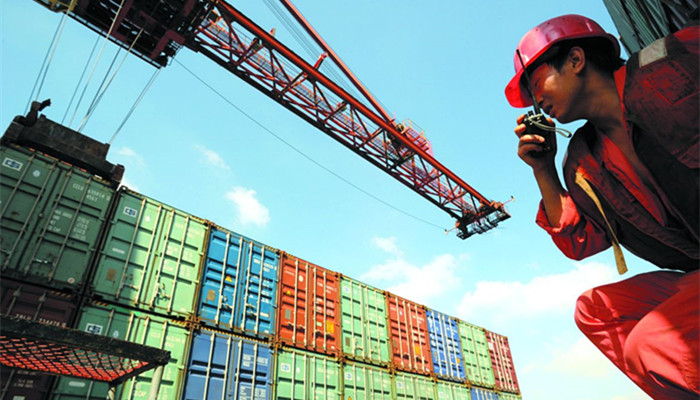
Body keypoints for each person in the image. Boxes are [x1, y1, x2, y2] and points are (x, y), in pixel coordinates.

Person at [504, 14, 699, 399]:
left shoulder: (675, 59)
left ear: (576, 60)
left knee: (652, 346)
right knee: (595, 310)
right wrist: (543, 169)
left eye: (536, 84)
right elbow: (581, 241)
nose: (537, 103)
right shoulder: (583, 163)